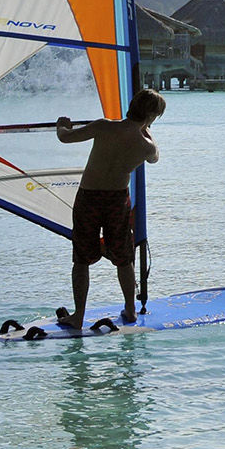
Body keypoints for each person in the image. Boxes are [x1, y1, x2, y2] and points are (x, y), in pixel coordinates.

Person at [53, 87, 164, 329]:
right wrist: (147, 130)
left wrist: (61, 125)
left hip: (89, 198)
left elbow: (65, 137)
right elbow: (155, 157)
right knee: (124, 258)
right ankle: (131, 310)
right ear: (152, 117)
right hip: (116, 201)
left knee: (81, 259)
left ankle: (78, 315)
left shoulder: (103, 126)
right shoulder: (145, 146)